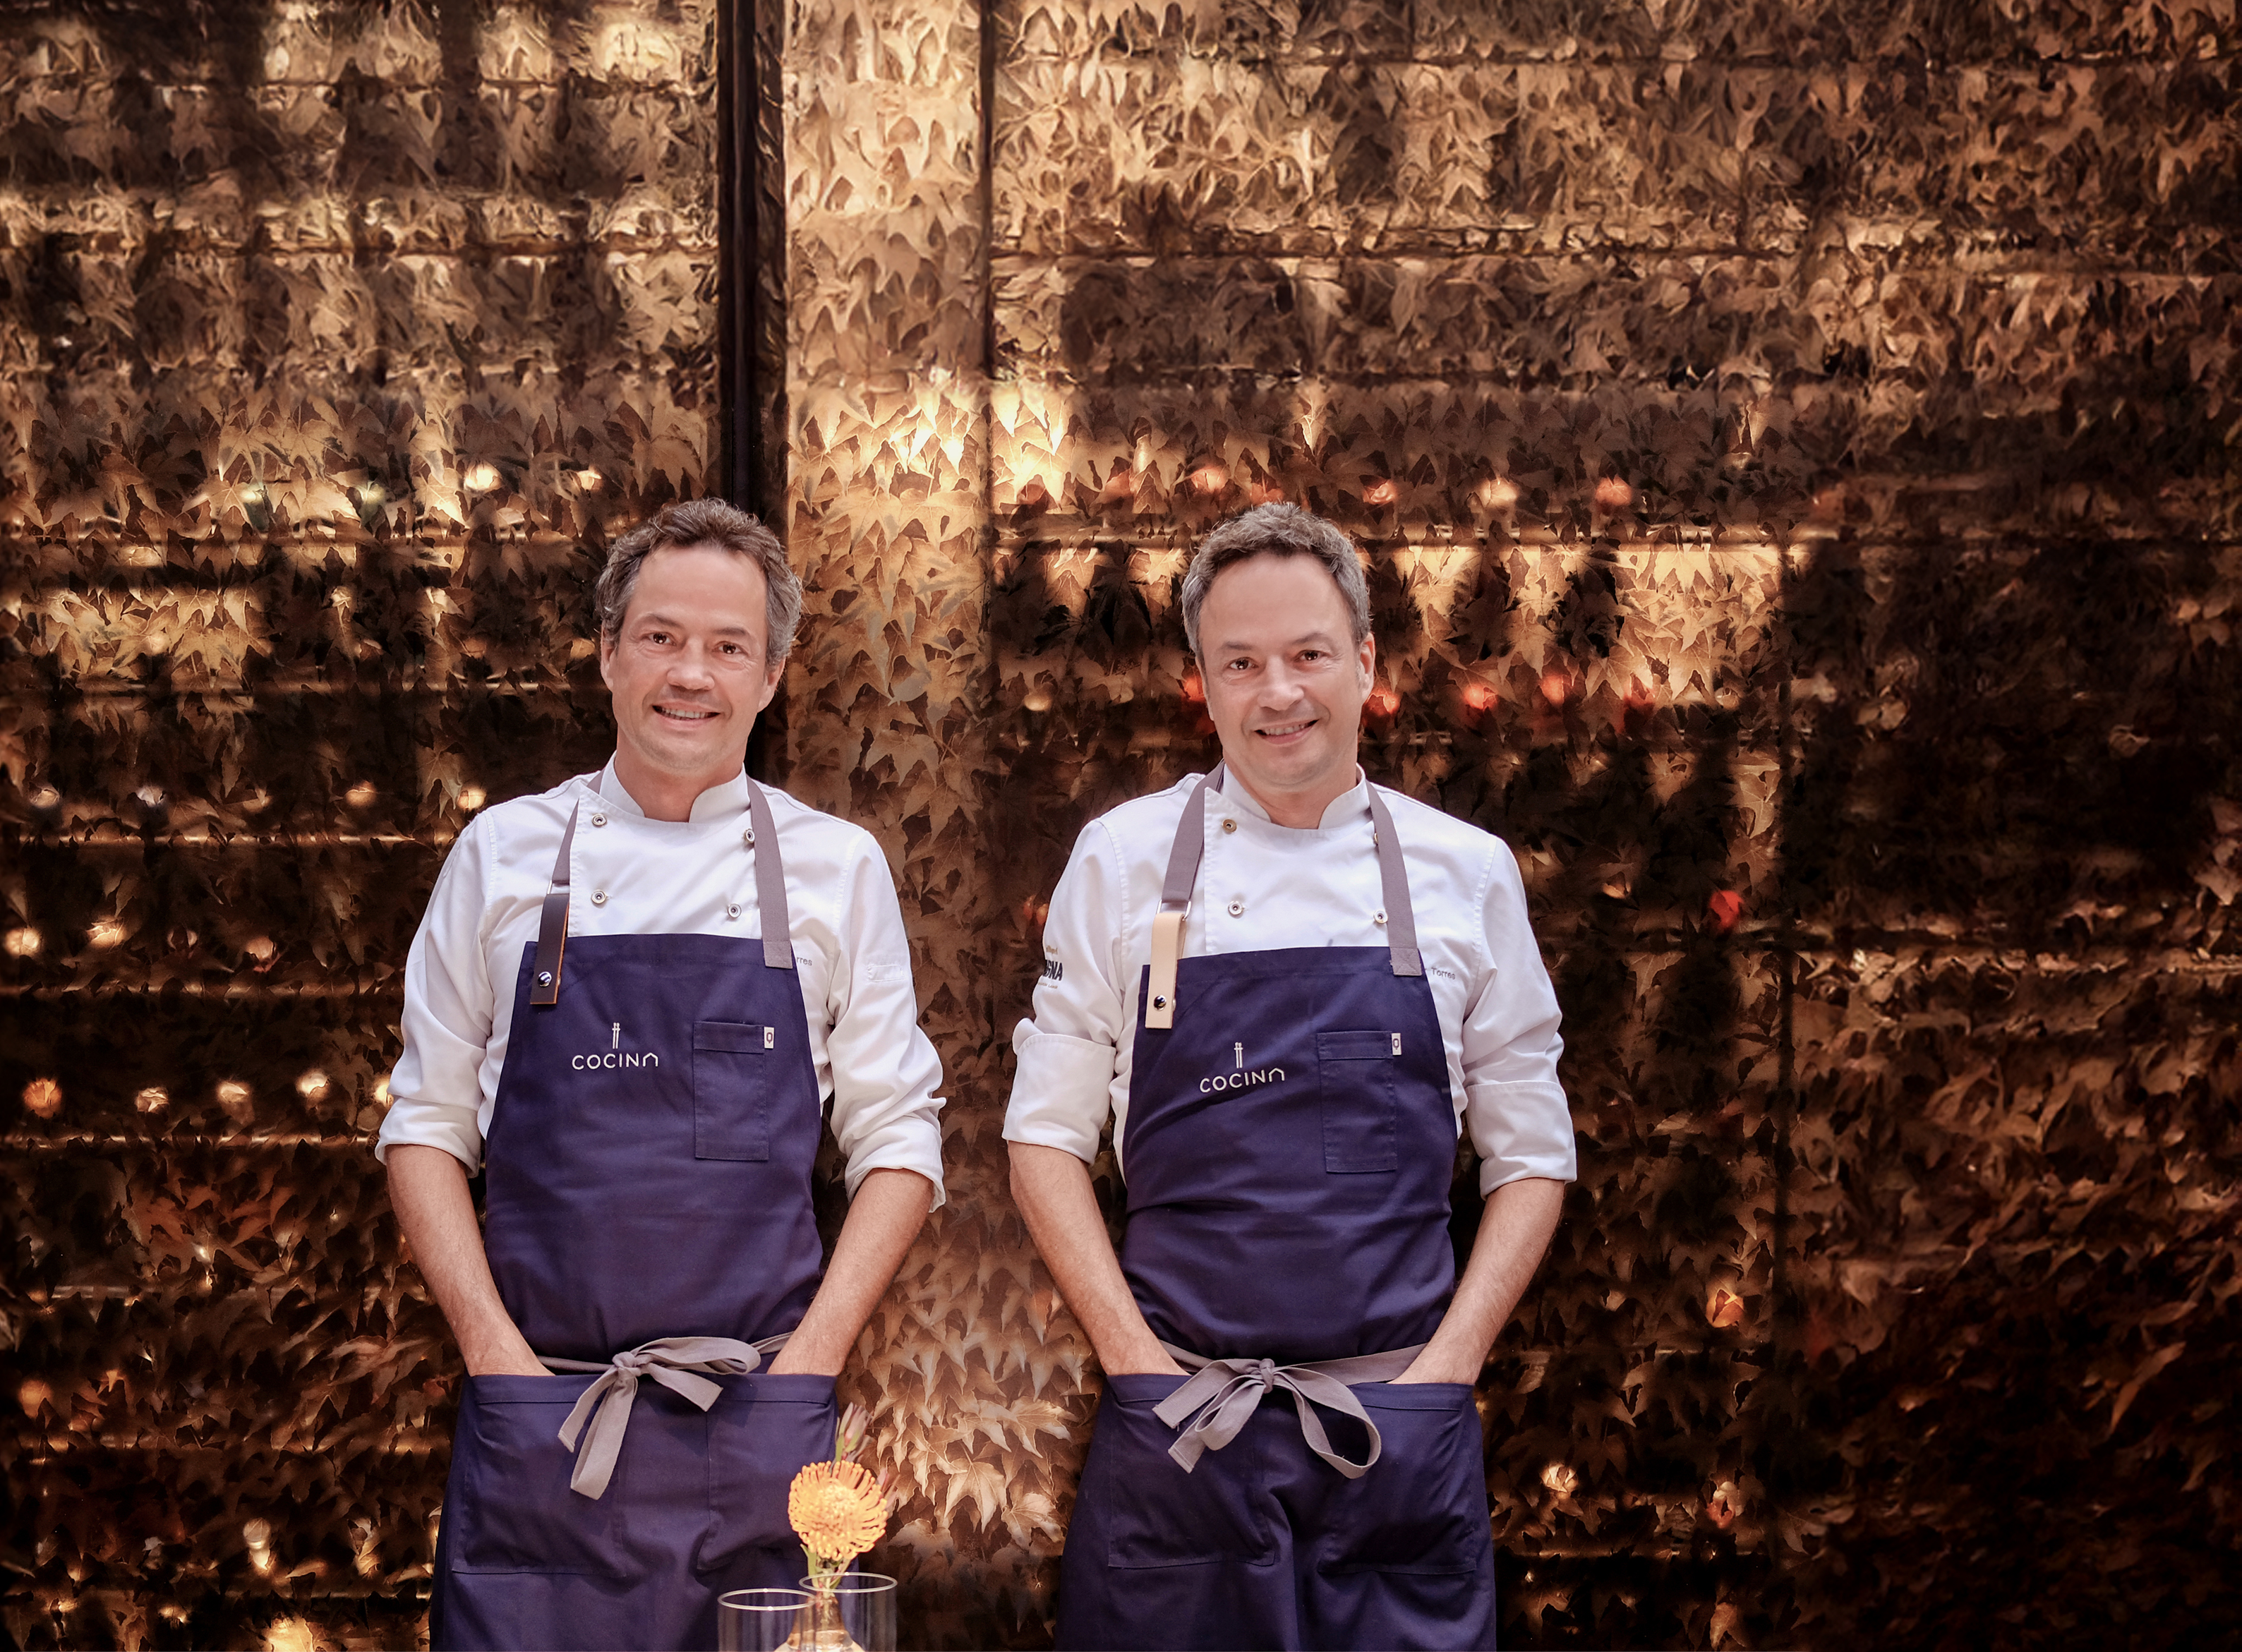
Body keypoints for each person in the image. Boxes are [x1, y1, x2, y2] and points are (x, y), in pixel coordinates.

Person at [1005, 503, 1575, 1651]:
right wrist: (1137, 1368)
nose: (1280, 692)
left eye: (1310, 655)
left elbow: (1533, 1155)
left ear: (1366, 663)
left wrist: (1446, 1372)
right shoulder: (1120, 863)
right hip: (1181, 1432)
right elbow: (1044, 1140)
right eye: (1243, 663)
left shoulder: (1466, 873)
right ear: (1201, 683)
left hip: (1393, 1441)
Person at [380, 499, 945, 1651]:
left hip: (757, 1436)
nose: (693, 674)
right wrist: (497, 1359)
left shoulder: (838, 870)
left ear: (775, 672)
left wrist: (809, 1370)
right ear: (606, 652)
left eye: (729, 647)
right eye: (661, 637)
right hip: (546, 1421)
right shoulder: (502, 854)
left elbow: (901, 1145)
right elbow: (425, 1127)